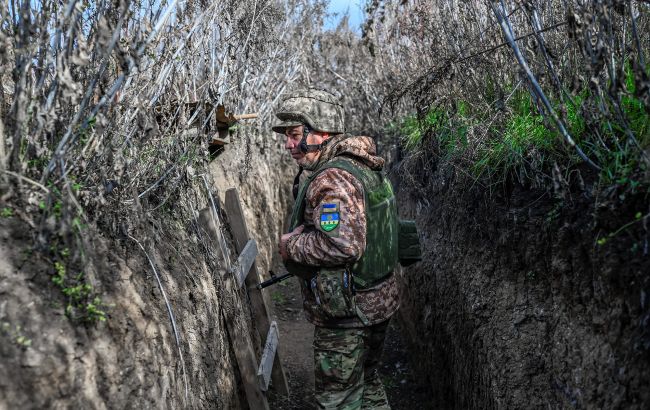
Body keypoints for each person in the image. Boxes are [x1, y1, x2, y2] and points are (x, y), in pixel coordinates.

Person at [273, 88, 400, 409]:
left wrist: (292, 245)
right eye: (286, 136)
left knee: (338, 400)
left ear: (323, 132)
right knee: (367, 385)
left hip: (348, 315)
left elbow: (342, 245)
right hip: (377, 303)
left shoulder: (333, 179)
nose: (289, 145)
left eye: (295, 135)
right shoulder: (363, 166)